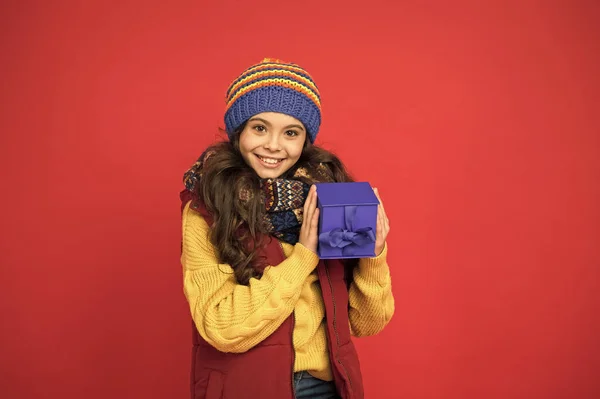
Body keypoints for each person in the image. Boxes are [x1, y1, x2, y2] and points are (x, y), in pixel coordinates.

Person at [179, 58, 394, 399]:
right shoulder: (207, 208)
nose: (274, 146)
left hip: (327, 387)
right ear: (239, 131)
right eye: (260, 128)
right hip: (246, 388)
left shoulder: (330, 195)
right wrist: (303, 258)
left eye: (291, 132)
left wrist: (374, 254)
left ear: (305, 140)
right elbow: (220, 326)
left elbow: (367, 323)